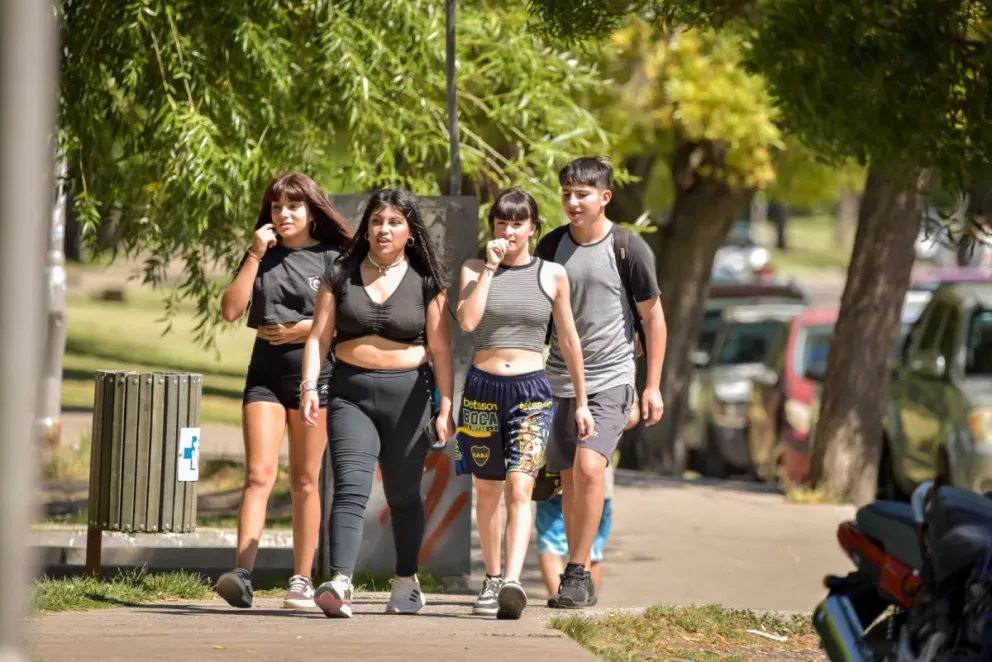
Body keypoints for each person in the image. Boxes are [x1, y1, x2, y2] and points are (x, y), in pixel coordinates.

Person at [300, 187, 455, 619]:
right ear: (366, 228)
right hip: (351, 393)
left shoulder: (427, 279)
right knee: (350, 486)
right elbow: (318, 337)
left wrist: (445, 407)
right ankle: (340, 582)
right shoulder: (341, 270)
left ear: (409, 231)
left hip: (410, 396)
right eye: (376, 222)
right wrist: (310, 386)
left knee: (403, 494)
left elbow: (441, 350)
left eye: (393, 223)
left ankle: (407, 582)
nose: (383, 230)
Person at [453, 188, 593, 620]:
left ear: (533, 228)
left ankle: (513, 580)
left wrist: (583, 401)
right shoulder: (474, 269)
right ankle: (492, 578)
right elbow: (468, 321)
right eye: (501, 223)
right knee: (488, 488)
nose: (508, 231)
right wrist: (491, 269)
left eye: (517, 223)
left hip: (531, 391)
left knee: (521, 485)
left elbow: (568, 341)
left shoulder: (552, 275)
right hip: (481, 390)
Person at [216, 172, 353, 610]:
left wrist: (302, 328)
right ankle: (242, 574)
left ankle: (301, 579)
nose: (284, 214)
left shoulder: (336, 257)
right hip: (265, 374)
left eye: (293, 206)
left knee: (304, 481)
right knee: (258, 475)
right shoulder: (263, 254)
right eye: (277, 207)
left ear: (312, 211)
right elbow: (230, 310)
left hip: (315, 376)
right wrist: (255, 254)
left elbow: (351, 323)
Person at [534, 156, 667, 609]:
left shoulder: (628, 248)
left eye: (583, 194)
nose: (573, 202)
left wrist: (652, 386)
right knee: (570, 479)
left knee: (591, 467)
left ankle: (577, 570)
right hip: (559, 382)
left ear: (604, 197)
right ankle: (579, 574)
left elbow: (654, 318)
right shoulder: (551, 246)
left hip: (611, 377)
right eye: (567, 193)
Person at [537, 401, 638, 604]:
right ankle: (578, 597)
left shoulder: (548, 369)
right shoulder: (614, 375)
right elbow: (633, 416)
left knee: (551, 545)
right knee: (593, 549)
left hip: (553, 473)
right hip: (591, 486)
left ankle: (567, 594)